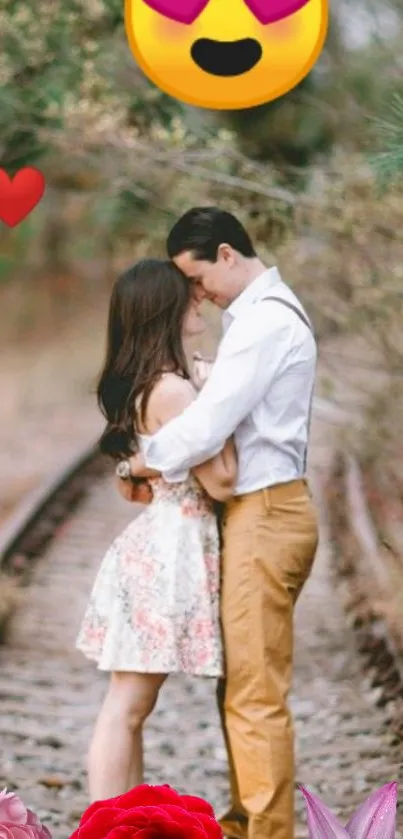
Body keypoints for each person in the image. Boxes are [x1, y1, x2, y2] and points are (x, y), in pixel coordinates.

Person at [118, 208, 319, 839]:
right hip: (258, 514)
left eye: (197, 277)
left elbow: (208, 428)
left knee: (255, 693)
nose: (196, 293)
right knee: (241, 684)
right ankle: (245, 819)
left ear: (227, 255)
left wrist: (141, 461)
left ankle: (267, 832)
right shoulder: (257, 318)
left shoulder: (263, 323)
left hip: (266, 513)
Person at [76, 257, 237, 801]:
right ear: (163, 309)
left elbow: (149, 469)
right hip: (170, 550)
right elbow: (223, 481)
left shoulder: (161, 383)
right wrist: (218, 401)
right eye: (187, 294)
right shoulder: (175, 390)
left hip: (160, 544)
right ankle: (101, 827)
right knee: (126, 707)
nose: (199, 301)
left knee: (131, 708)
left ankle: (122, 823)